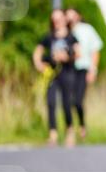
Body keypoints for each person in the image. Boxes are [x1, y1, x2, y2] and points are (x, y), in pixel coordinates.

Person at [33, 9, 81, 147]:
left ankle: (70, 132)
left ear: (64, 20)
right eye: (54, 20)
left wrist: (67, 57)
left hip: (67, 73)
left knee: (67, 103)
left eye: (59, 19)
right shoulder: (49, 36)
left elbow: (79, 53)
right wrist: (39, 64)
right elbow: (38, 51)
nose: (56, 22)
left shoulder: (71, 37)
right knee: (51, 102)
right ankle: (52, 134)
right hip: (52, 74)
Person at [65, 7, 103, 139]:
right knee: (67, 100)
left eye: (72, 15)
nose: (70, 18)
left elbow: (95, 50)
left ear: (78, 16)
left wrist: (93, 69)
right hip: (68, 69)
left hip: (82, 68)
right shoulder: (65, 31)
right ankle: (69, 130)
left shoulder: (87, 29)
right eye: (67, 16)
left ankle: (82, 125)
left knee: (78, 101)